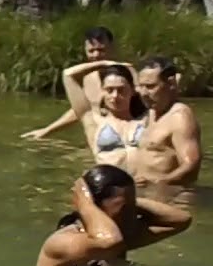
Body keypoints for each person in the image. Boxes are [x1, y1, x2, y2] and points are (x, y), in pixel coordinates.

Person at [35, 165, 192, 266]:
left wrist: (130, 201)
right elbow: (109, 242)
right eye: (124, 209)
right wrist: (85, 203)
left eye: (133, 206)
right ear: (95, 207)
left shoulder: (120, 236)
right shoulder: (64, 242)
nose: (134, 215)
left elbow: (180, 220)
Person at [21, 27, 120, 140]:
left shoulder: (127, 76)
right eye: (91, 51)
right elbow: (81, 110)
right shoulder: (88, 78)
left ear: (112, 48)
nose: (96, 55)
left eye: (101, 50)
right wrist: (46, 131)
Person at [133, 56, 203, 203]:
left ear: (170, 83)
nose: (144, 93)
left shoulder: (180, 116)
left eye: (151, 86)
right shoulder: (151, 111)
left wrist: (158, 181)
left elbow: (191, 165)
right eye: (141, 86)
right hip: (148, 195)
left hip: (173, 199)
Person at [59, 60, 148, 171]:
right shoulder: (94, 121)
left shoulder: (148, 120)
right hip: (108, 185)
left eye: (121, 90)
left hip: (143, 184)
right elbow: (68, 74)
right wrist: (104, 64)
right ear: (102, 91)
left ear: (133, 91)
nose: (115, 96)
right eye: (109, 90)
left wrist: (132, 71)